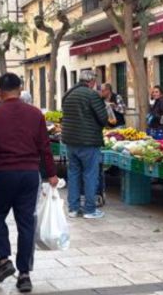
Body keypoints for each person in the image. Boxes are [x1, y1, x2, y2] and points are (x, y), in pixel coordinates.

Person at [0, 73, 58, 293]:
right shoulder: (35, 114)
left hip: (3, 173)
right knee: (26, 222)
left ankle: (4, 260)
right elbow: (45, 146)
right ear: (20, 90)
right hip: (30, 174)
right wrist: (51, 173)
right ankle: (24, 275)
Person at [61, 70, 108, 219]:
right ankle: (89, 209)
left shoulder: (68, 94)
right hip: (88, 141)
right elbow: (103, 118)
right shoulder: (92, 95)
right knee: (90, 175)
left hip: (70, 141)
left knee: (73, 174)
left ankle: (73, 209)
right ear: (91, 81)